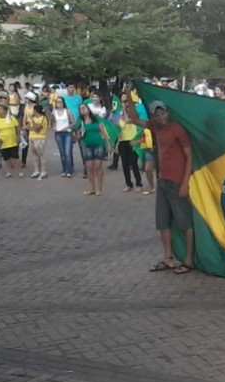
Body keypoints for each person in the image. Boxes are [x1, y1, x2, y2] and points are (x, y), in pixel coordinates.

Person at [127, 99, 195, 274]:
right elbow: (134, 119)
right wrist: (128, 95)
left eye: (162, 113)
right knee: (163, 221)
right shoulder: (155, 127)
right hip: (163, 180)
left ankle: (188, 260)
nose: (161, 117)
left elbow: (189, 155)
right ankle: (168, 257)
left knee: (184, 221)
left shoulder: (177, 129)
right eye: (157, 115)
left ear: (167, 112)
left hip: (177, 181)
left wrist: (185, 182)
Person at [74, 103, 111, 196]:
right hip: (87, 145)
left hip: (99, 144)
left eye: (84, 107)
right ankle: (92, 188)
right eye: (81, 108)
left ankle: (99, 189)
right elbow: (77, 137)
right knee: (90, 167)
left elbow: (103, 131)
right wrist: (81, 133)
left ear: (88, 109)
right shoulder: (80, 121)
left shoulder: (95, 118)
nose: (83, 109)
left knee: (98, 166)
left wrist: (108, 144)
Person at [0, 102, 23, 178]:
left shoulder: (11, 118)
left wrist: (18, 137)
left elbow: (17, 128)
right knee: (6, 158)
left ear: (5, 110)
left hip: (12, 141)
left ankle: (20, 171)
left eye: (0, 109)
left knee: (15, 157)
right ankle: (9, 171)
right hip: (2, 142)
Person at [26, 103, 49, 179]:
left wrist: (32, 122)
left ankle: (43, 171)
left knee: (41, 155)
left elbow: (37, 128)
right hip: (31, 137)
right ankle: (36, 171)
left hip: (40, 138)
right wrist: (32, 127)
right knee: (35, 155)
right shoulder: (33, 118)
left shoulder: (42, 118)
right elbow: (27, 127)